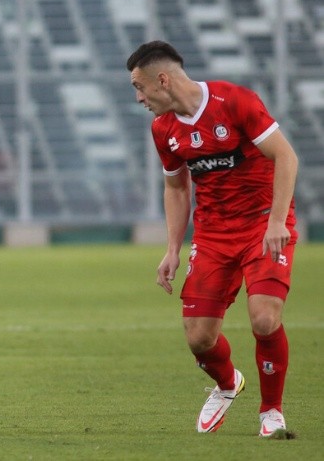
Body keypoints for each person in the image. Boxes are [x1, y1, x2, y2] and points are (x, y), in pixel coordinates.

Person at [126, 41, 298, 437]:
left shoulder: (234, 101)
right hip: (213, 233)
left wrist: (277, 221)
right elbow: (176, 188)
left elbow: (286, 157)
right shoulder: (163, 129)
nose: (138, 98)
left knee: (265, 318)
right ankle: (227, 384)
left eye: (139, 87)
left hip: (262, 225)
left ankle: (271, 412)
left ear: (162, 80)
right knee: (199, 338)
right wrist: (172, 248)